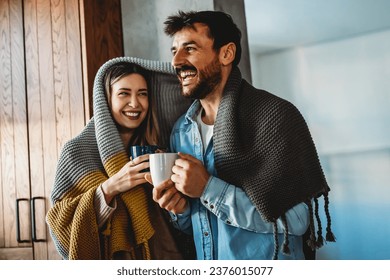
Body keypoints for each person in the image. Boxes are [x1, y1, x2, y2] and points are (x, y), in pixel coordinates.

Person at [149, 10, 336, 260]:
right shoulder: (181, 132)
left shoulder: (275, 117)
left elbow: (298, 221)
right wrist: (180, 210)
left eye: (190, 49)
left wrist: (208, 189)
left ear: (226, 54)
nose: (176, 62)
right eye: (174, 51)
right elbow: (198, 225)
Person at [46, 59, 193, 260]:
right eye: (124, 93)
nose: (135, 103)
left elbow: (185, 222)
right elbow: (60, 224)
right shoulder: (76, 152)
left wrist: (177, 201)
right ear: (106, 99)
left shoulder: (161, 148)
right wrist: (110, 188)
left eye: (143, 94)